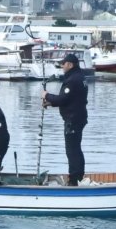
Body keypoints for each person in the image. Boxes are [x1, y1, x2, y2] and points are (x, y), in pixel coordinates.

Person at [41, 53, 88, 186]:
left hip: (73, 119)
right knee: (76, 148)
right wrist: (51, 103)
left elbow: (64, 99)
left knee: (72, 150)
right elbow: (71, 100)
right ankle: (78, 176)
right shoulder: (80, 77)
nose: (62, 66)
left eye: (64, 64)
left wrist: (47, 95)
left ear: (70, 65)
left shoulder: (73, 80)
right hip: (78, 117)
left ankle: (74, 179)